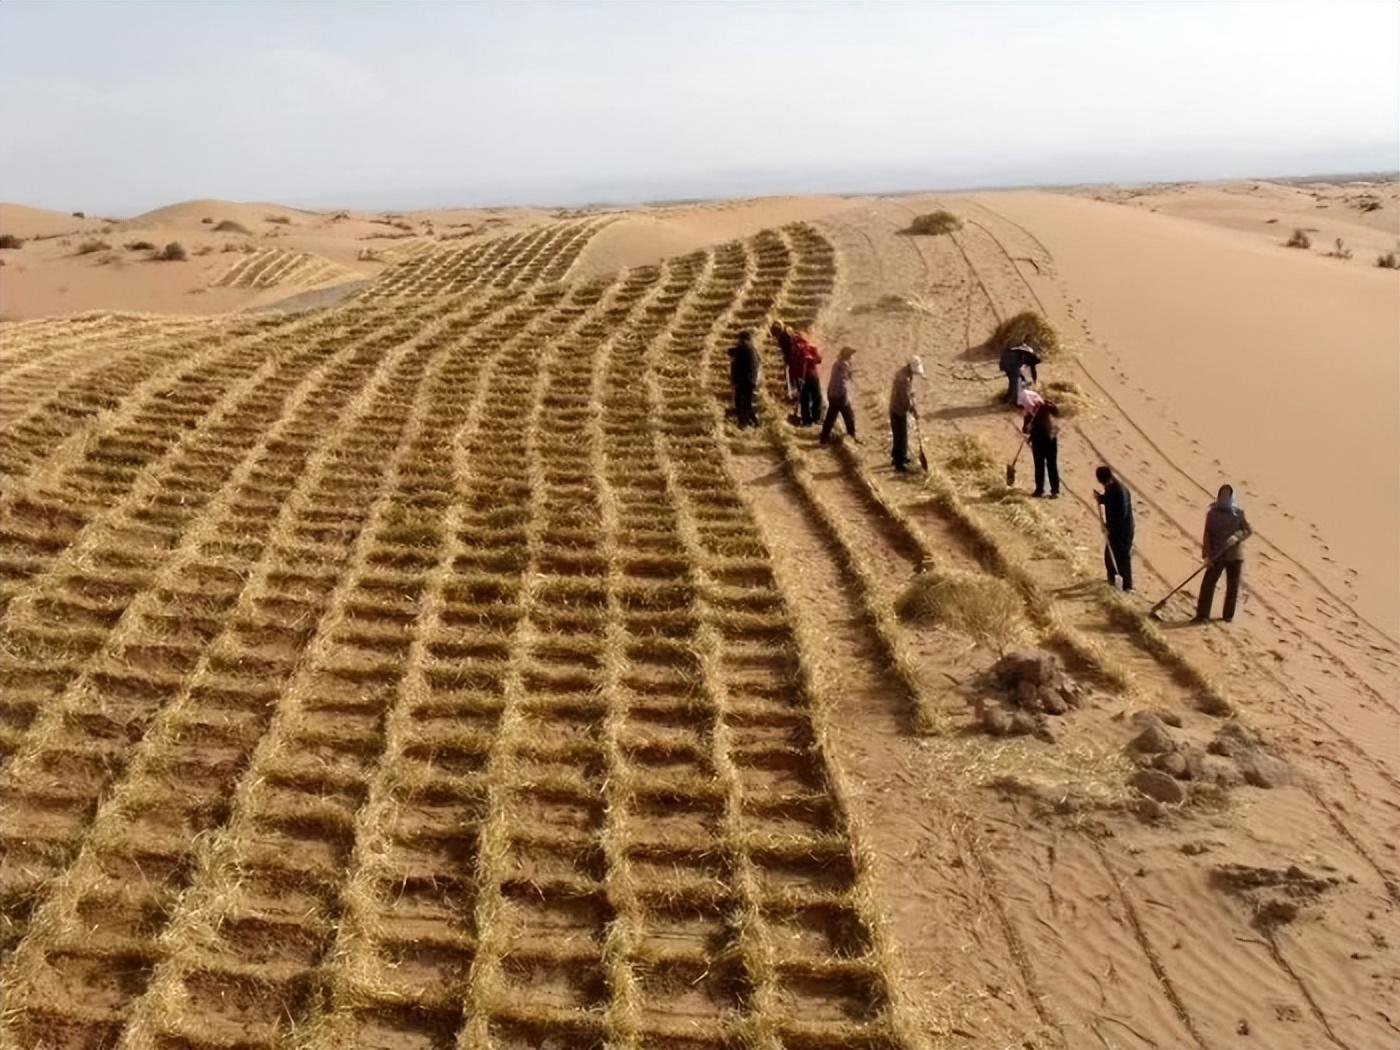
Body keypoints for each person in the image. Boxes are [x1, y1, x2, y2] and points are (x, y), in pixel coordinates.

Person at [1194, 484, 1252, 623]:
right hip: (1216, 554)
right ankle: (1202, 615)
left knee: (1232, 587)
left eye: (1227, 495)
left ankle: (1227, 616)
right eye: (1222, 495)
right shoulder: (1212, 513)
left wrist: (1237, 536)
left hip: (1234, 555)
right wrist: (1207, 555)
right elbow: (1207, 535)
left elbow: (1248, 530)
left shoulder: (1238, 513)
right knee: (1208, 584)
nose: (1224, 498)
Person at [1094, 465, 1134, 591]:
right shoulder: (1112, 487)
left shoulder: (1119, 491)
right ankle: (1112, 580)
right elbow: (1109, 500)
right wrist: (1100, 498)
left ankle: (1126, 586)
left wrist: (1108, 527)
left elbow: (1121, 514)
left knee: (1122, 557)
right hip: (1115, 529)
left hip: (1122, 531)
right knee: (1110, 556)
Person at [888, 356, 924, 471]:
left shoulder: (904, 374)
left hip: (895, 407)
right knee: (901, 436)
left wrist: (913, 404)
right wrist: (912, 410)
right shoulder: (904, 379)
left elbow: (910, 394)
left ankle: (898, 457)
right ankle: (899, 463)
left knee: (899, 435)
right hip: (898, 409)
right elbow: (905, 398)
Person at [1022, 398, 1060, 497]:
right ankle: (1039, 489)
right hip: (1037, 441)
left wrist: (1048, 404)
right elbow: (1025, 429)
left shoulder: (1045, 406)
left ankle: (1054, 490)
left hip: (1050, 439)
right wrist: (1027, 428)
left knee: (1051, 465)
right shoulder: (1029, 413)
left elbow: (1056, 412)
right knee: (1039, 466)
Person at [820, 346, 857, 444]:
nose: (853, 357)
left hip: (831, 393)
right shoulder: (844, 365)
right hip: (839, 395)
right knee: (849, 417)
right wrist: (844, 397)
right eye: (852, 355)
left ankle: (824, 438)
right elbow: (842, 382)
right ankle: (852, 437)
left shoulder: (836, 363)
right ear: (848, 356)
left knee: (830, 417)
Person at [727, 331, 760, 428]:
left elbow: (731, 352)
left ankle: (743, 423)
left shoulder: (744, 347)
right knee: (748, 402)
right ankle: (754, 422)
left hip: (744, 380)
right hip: (751, 379)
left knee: (742, 402)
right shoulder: (753, 349)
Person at [794, 334, 823, 426]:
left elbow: (819, 359)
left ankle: (816, 418)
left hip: (813, 377)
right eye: (798, 343)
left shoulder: (812, 349)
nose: (799, 345)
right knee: (804, 399)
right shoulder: (796, 352)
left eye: (801, 342)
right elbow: (793, 364)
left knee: (817, 397)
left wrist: (812, 358)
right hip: (802, 378)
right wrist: (797, 377)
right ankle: (806, 419)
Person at [770, 321, 800, 403]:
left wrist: (789, 361)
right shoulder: (785, 332)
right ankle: (791, 392)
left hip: (795, 359)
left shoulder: (786, 335)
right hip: (791, 358)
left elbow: (791, 349)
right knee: (790, 376)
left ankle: (794, 394)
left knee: (794, 376)